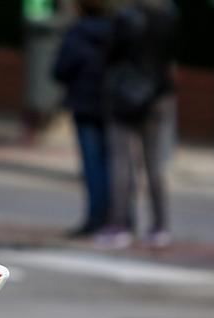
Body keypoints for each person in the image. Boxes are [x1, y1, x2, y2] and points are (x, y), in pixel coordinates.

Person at [95, 0, 178, 250]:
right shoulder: (169, 17)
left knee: (122, 162)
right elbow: (170, 58)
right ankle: (160, 226)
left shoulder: (125, 18)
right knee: (154, 164)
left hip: (125, 94)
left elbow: (110, 56)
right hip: (158, 96)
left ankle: (120, 225)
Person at [53, 0, 114, 239]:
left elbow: (60, 69)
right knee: (114, 165)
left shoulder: (77, 33)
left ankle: (95, 218)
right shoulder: (115, 31)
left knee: (92, 166)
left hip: (85, 103)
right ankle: (119, 217)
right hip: (111, 105)